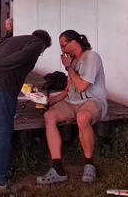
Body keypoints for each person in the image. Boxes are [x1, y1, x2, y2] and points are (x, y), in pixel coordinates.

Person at [0, 29, 52, 195]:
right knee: (3, 131)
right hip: (1, 85)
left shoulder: (12, 40)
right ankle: (0, 183)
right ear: (44, 45)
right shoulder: (37, 44)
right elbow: (18, 58)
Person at [37, 30, 107, 185]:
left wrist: (68, 67)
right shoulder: (73, 61)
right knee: (49, 116)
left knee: (82, 117)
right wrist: (51, 100)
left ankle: (89, 165)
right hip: (72, 102)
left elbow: (82, 86)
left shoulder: (91, 57)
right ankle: (57, 169)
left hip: (93, 101)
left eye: (63, 46)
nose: (62, 50)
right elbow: (69, 88)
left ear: (73, 42)